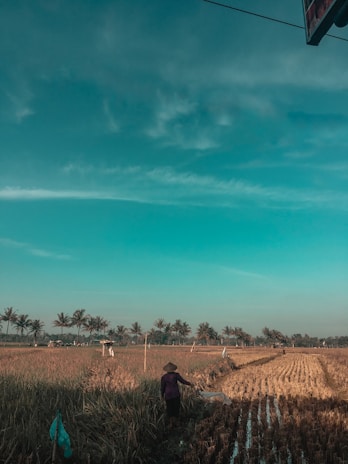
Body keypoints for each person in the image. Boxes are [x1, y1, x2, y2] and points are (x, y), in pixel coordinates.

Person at [161, 362, 194, 427]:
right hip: (175, 394)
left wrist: (162, 395)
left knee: (169, 408)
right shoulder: (176, 375)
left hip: (168, 395)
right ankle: (177, 422)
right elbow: (183, 381)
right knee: (176, 407)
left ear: (167, 370)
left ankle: (171, 423)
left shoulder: (164, 377)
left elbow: (162, 387)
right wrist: (190, 384)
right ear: (173, 369)